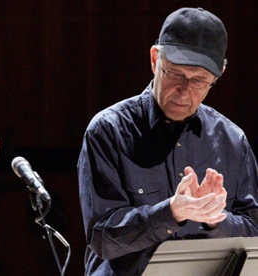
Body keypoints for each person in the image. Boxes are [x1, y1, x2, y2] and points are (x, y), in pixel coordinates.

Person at [78, 7, 258, 275]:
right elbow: (102, 239)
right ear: (154, 59)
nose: (184, 91)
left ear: (218, 74)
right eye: (175, 74)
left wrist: (216, 220)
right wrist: (171, 211)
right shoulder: (108, 131)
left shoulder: (232, 141)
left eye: (199, 80)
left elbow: (253, 232)